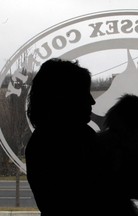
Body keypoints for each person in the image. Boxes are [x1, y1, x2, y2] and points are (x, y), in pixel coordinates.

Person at [25, 58, 98, 215]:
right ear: (64, 98)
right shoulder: (78, 139)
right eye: (84, 93)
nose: (92, 101)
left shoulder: (43, 141)